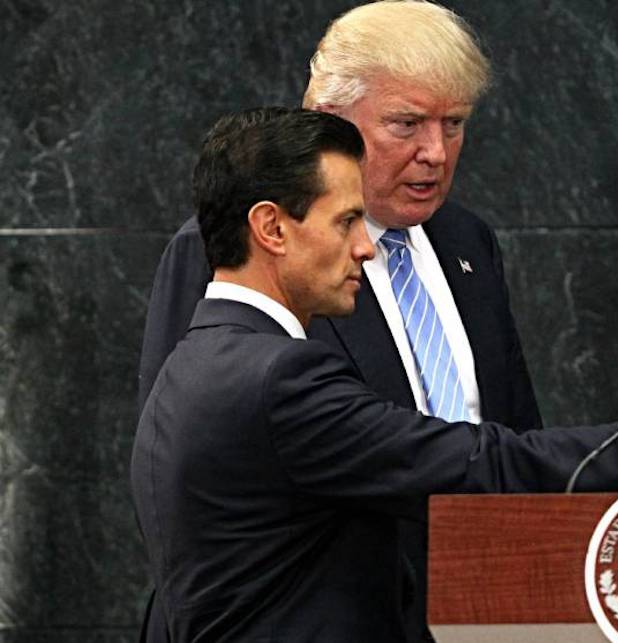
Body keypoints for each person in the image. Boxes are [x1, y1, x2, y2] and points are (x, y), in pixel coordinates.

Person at [132, 106, 618, 642]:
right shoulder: (279, 377)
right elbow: (482, 462)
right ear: (271, 227)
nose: (365, 247)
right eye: (345, 221)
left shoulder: (196, 360)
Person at [136, 4, 537, 639]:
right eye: (406, 124)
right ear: (330, 121)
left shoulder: (469, 241)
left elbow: (512, 430)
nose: (435, 152)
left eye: (454, 123)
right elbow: (188, 471)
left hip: (480, 610)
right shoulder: (233, 250)